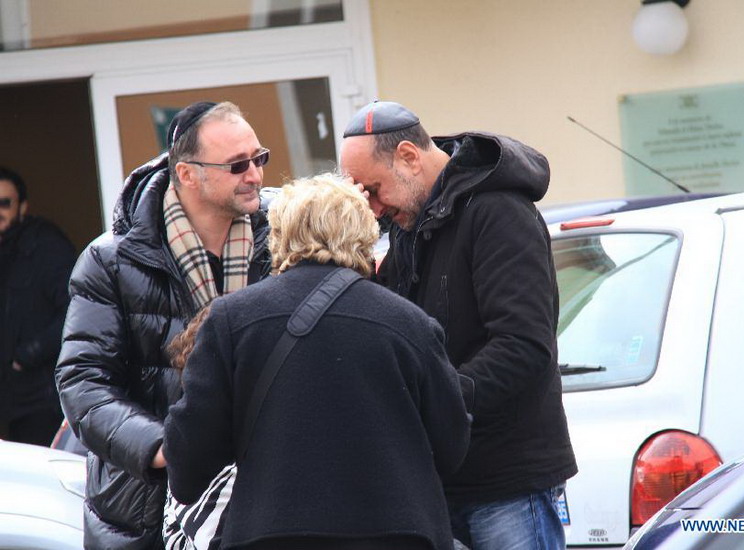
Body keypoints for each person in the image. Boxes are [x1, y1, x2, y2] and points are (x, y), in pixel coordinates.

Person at [164, 173, 471, 550]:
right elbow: (452, 448)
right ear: (365, 235)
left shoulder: (231, 321)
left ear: (278, 235)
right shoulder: (411, 324)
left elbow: (189, 462)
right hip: (399, 533)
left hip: (273, 535)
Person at [339, 101, 578, 550]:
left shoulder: (499, 213)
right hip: (439, 480)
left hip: (507, 482)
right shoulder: (413, 221)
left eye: (372, 189)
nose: (370, 209)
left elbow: (522, 346)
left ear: (409, 157)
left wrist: (435, 401)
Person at [55, 101, 272, 549]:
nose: (255, 174)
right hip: (146, 509)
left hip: (266, 497)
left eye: (259, 158)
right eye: (237, 165)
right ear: (188, 174)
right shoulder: (110, 261)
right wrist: (167, 447)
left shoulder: (284, 240)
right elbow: (82, 383)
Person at [0, 166, 76, 446]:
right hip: (16, 404)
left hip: (46, 401)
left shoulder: (44, 245)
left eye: (5, 203)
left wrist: (27, 356)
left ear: (22, 207)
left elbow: (77, 310)